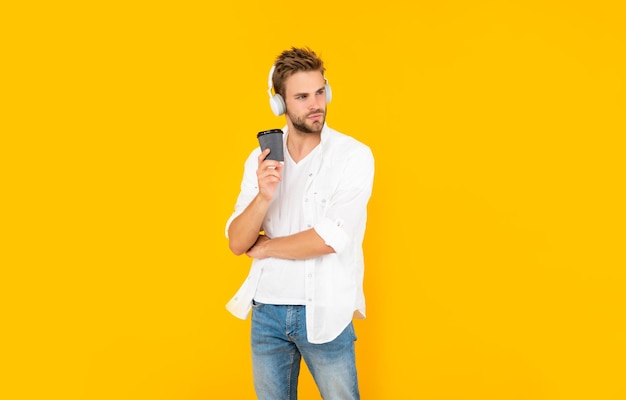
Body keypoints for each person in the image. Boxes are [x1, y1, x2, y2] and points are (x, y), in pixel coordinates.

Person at [225, 46, 374, 400]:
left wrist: (266, 247)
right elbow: (235, 242)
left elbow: (330, 238)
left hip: (326, 308)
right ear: (280, 103)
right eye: (303, 96)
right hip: (268, 311)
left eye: (320, 92)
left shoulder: (353, 156)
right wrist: (263, 195)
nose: (316, 104)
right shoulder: (260, 160)